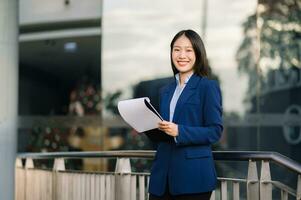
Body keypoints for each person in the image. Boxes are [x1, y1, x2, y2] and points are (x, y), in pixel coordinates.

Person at [145, 29, 223, 200]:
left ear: (198, 53)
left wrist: (180, 131)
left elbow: (215, 131)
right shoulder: (165, 91)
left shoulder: (207, 87)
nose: (182, 55)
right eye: (177, 49)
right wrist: (148, 126)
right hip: (162, 178)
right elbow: (165, 132)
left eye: (188, 50)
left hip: (193, 178)